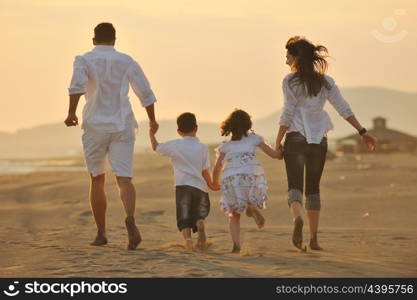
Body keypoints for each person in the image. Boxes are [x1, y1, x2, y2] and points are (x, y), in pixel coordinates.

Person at [275, 36, 377, 251]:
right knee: (313, 189)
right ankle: (313, 239)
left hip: (295, 138)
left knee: (294, 186)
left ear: (295, 57)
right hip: (318, 140)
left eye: (287, 56)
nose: (285, 61)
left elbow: (288, 112)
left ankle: (297, 219)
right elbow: (343, 108)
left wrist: (278, 141)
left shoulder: (289, 81)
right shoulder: (326, 82)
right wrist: (363, 132)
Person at [65, 23, 159, 250]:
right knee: (124, 178)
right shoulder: (127, 61)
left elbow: (76, 86)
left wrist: (71, 113)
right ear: (115, 39)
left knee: (97, 178)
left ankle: (101, 233)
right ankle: (130, 218)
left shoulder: (84, 59)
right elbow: (145, 93)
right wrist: (152, 120)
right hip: (122, 125)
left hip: (95, 126)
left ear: (94, 40)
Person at [212, 109, 280, 253]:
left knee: (234, 214)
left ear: (229, 126)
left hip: (231, 178)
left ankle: (236, 245)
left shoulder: (226, 146)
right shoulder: (254, 139)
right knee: (248, 199)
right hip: (250, 175)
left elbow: (217, 167)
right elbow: (274, 154)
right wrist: (282, 152)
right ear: (248, 124)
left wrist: (214, 182)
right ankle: (252, 208)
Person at [149, 112, 217, 251]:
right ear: (196, 128)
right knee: (199, 214)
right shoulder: (202, 147)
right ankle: (200, 225)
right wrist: (211, 184)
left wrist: (152, 134)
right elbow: (205, 170)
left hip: (183, 186)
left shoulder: (175, 145)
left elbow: (156, 147)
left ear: (179, 132)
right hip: (200, 187)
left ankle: (188, 240)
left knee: (184, 216)